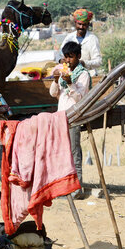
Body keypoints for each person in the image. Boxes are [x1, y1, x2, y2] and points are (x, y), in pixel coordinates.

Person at [49, 42, 92, 199]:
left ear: (78, 57)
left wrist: (69, 83)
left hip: (74, 117)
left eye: (71, 57)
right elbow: (54, 94)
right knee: (61, 153)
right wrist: (56, 80)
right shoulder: (63, 71)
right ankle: (63, 188)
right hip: (61, 117)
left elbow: (80, 97)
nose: (67, 60)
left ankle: (76, 189)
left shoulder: (83, 75)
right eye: (65, 57)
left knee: (74, 153)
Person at [59, 9, 101, 75]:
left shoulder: (92, 39)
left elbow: (98, 62)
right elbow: (61, 54)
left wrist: (83, 63)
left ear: (88, 25)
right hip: (70, 75)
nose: (81, 27)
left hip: (89, 75)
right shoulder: (69, 37)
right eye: (79, 24)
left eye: (84, 25)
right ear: (75, 23)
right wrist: (61, 60)